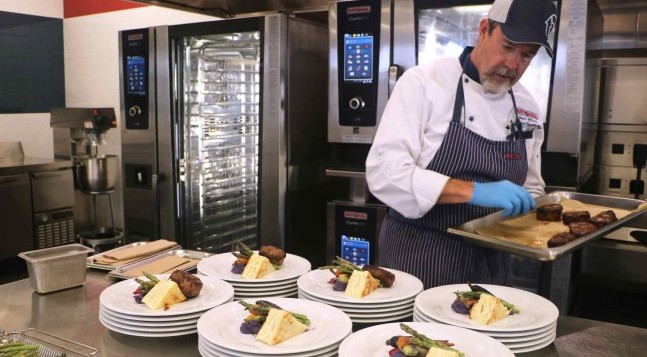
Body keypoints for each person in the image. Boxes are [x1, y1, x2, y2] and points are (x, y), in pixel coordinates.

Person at [365, 0, 558, 289]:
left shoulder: (527, 106)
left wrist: (530, 209)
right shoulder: (423, 84)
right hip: (421, 259)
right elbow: (384, 173)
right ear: (483, 30)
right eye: (506, 47)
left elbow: (531, 185)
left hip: (491, 268)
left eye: (526, 56)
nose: (512, 65)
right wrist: (474, 191)